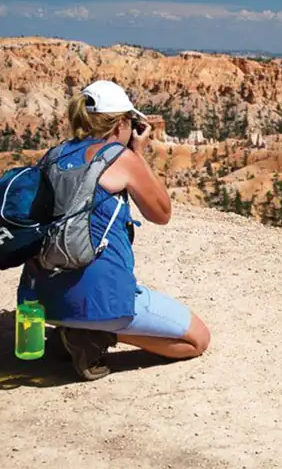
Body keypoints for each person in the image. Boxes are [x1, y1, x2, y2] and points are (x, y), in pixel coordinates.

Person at [18, 80, 210, 380]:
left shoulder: (52, 156)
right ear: (121, 123)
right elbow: (161, 213)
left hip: (40, 301)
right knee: (196, 340)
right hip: (98, 300)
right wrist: (138, 154)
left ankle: (73, 329)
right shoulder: (120, 158)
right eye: (130, 122)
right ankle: (94, 336)